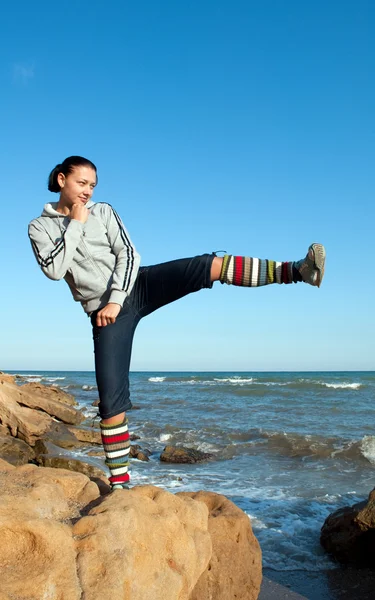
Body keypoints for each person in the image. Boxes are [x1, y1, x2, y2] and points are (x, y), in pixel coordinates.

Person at [28, 156, 326, 491]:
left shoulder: (105, 212)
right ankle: (121, 487)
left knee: (207, 265)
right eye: (82, 183)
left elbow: (129, 255)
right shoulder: (39, 227)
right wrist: (76, 225)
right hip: (103, 314)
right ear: (61, 179)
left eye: (93, 185)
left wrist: (116, 297)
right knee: (111, 402)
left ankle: (297, 271)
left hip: (135, 287)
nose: (88, 191)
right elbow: (54, 269)